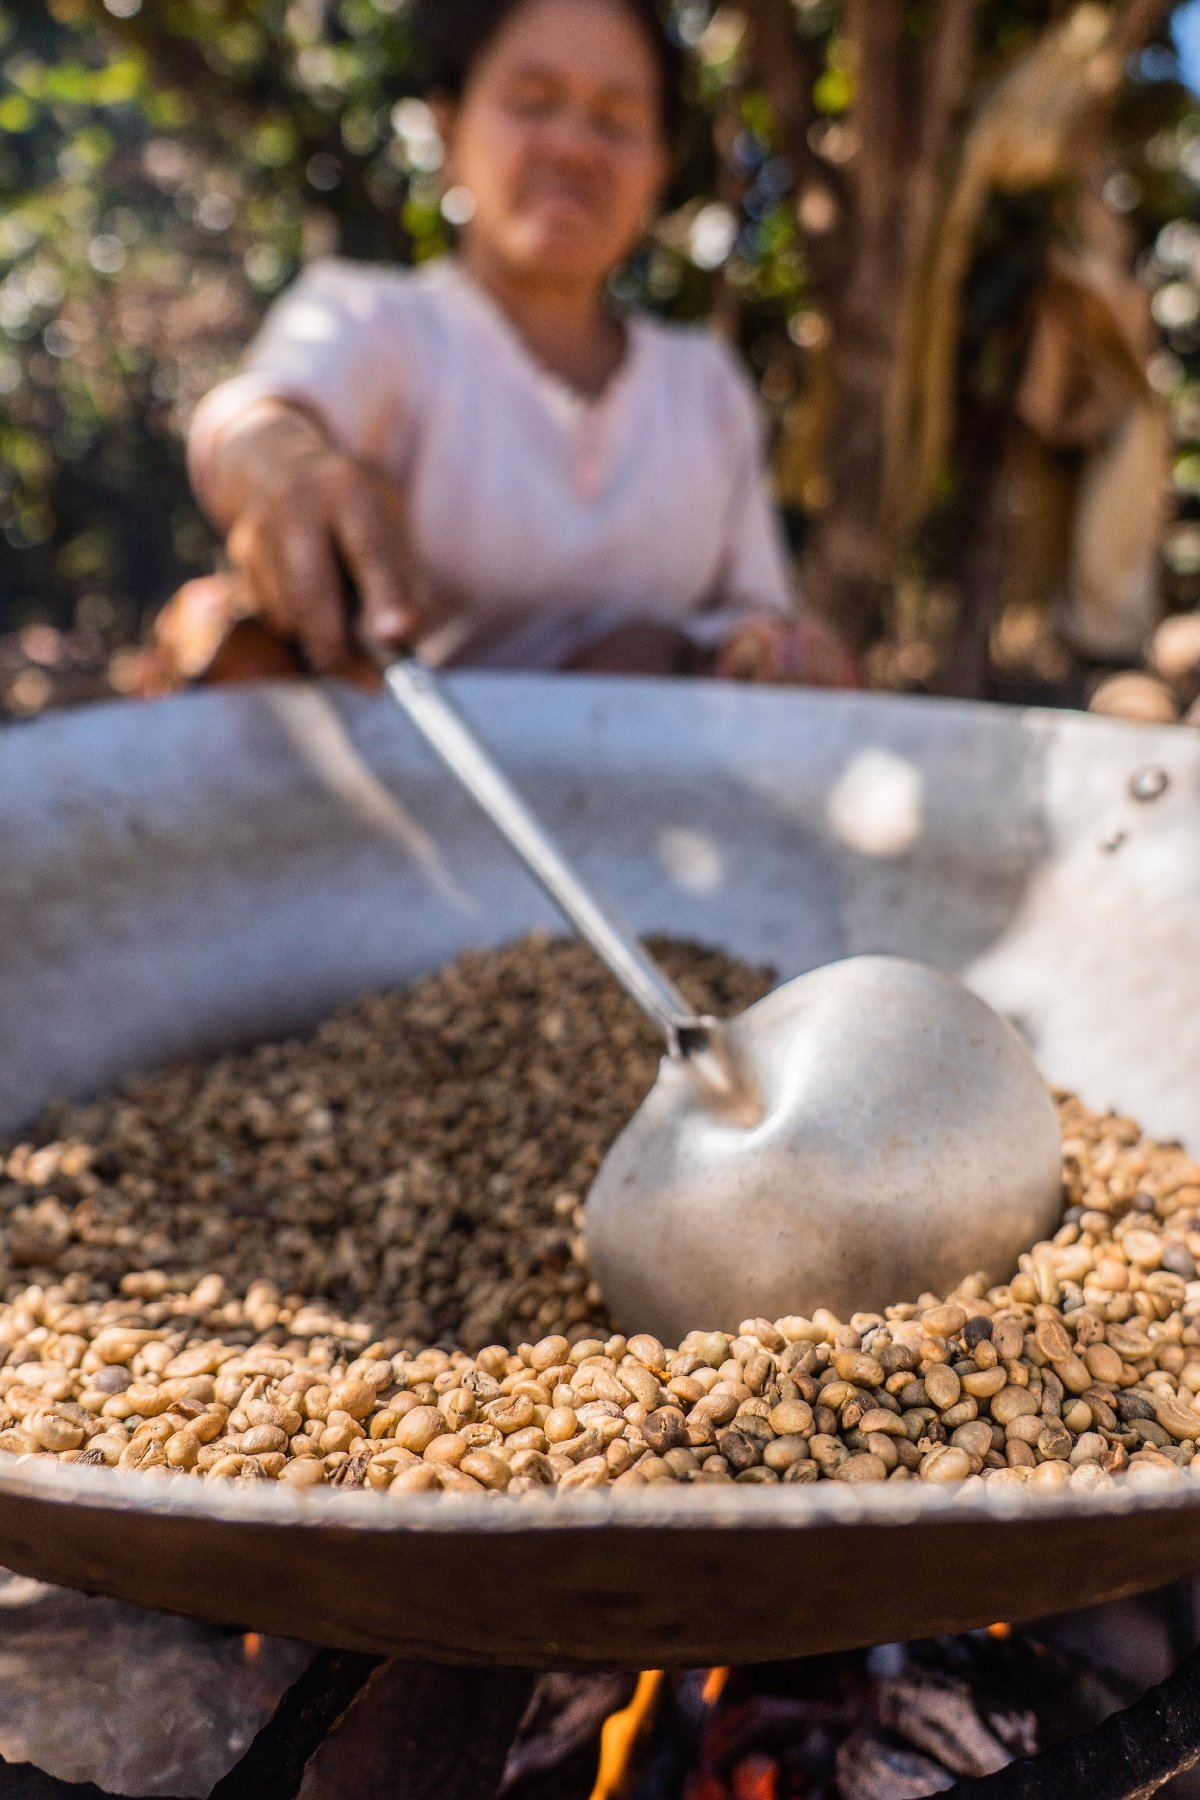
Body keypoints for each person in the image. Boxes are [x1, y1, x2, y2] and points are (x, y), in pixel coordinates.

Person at [167, 0, 856, 688]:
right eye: (532, 101)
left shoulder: (705, 387)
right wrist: (281, 465)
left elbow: (758, 629)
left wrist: (769, 654)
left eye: (616, 120)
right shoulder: (375, 321)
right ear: (450, 131)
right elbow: (256, 419)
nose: (574, 146)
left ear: (659, 168)